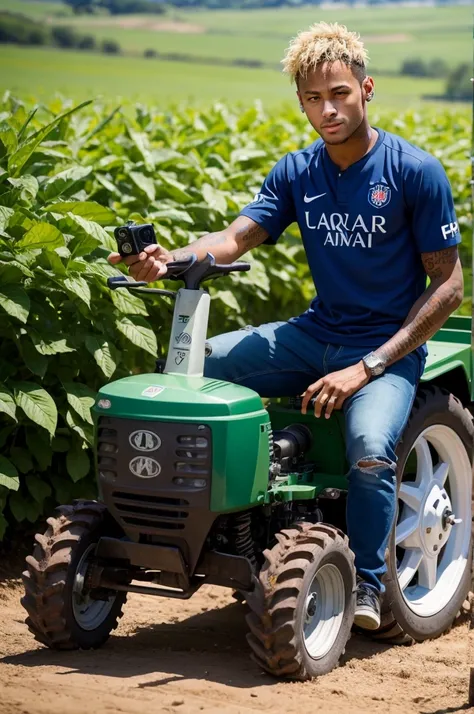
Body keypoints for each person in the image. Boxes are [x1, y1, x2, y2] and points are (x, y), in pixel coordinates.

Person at [108, 22, 463, 631]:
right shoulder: (298, 172)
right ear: (300, 101)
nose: (328, 110)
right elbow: (234, 239)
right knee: (195, 368)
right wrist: (168, 261)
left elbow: (450, 287)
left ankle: (370, 588)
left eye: (340, 94)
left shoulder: (414, 172)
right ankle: (220, 520)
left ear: (366, 88)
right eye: (313, 99)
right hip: (315, 331)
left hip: (385, 349)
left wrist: (370, 366)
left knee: (372, 450)